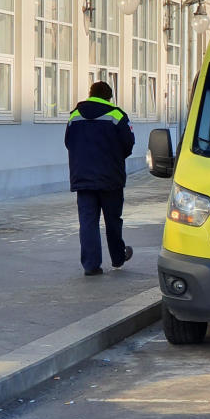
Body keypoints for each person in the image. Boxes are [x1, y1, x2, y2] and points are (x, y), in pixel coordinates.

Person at [65, 81, 135, 276]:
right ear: (109, 97)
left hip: (83, 178)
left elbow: (68, 143)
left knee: (88, 222)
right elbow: (128, 144)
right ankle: (118, 258)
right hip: (110, 179)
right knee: (113, 220)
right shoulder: (117, 115)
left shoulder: (74, 116)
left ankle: (91, 265)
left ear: (90, 94)